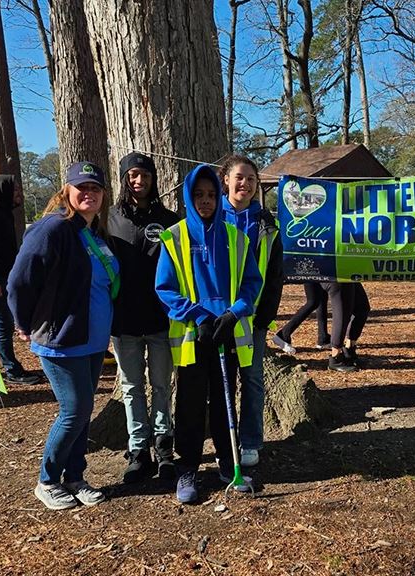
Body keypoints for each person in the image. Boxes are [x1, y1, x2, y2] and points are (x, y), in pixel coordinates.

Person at [8, 162, 119, 510]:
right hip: (61, 339)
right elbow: (19, 281)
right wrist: (23, 322)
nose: (89, 193)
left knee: (83, 411)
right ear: (67, 191)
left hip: (92, 340)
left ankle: (75, 476)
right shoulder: (52, 229)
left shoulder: (92, 232)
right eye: (81, 187)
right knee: (74, 410)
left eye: (96, 189)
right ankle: (46, 479)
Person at [155, 164, 262, 504]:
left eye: (212, 195)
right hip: (193, 336)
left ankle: (228, 463)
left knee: (224, 400)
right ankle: (187, 468)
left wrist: (234, 313)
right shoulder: (174, 237)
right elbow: (165, 288)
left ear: (219, 197)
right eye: (199, 195)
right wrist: (198, 315)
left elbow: (251, 283)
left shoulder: (236, 237)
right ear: (189, 196)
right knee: (188, 405)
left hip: (226, 332)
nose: (205, 201)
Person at [108, 152, 179, 484]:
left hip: (161, 320)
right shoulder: (108, 220)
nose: (139, 181)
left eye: (145, 176)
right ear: (124, 179)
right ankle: (139, 450)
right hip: (123, 322)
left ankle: (165, 448)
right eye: (133, 175)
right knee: (132, 386)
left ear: (154, 179)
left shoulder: (170, 221)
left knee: (161, 385)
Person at [219, 155, 284, 468]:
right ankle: (224, 440)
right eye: (239, 177)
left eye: (251, 179)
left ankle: (250, 441)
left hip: (253, 318)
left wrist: (266, 315)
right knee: (222, 380)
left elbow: (274, 275)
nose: (244, 184)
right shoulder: (211, 216)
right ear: (226, 181)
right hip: (218, 318)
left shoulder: (267, 224)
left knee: (252, 379)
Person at [0, 175, 40, 385]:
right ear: (3, 191)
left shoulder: (3, 212)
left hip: (2, 277)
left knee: (1, 320)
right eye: (15, 190)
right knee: (4, 323)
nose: (19, 193)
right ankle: (12, 370)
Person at [272, 282, 330, 355]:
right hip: (311, 272)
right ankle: (283, 334)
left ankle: (323, 338)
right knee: (313, 302)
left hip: (322, 273)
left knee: (322, 298)